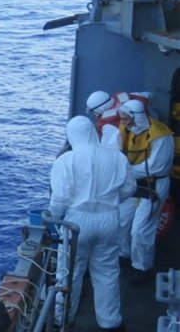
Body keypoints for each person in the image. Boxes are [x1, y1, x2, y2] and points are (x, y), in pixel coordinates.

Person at [50, 116, 134, 331]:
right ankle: (110, 321)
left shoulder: (66, 160)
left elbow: (59, 199)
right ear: (92, 133)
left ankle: (63, 318)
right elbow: (128, 189)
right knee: (107, 271)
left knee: (69, 272)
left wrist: (56, 220)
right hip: (109, 219)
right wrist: (111, 204)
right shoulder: (116, 157)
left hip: (76, 221)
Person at [117, 99, 174, 283]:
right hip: (134, 183)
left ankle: (142, 267)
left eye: (126, 118)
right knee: (122, 220)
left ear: (136, 117)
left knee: (141, 229)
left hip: (154, 185)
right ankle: (124, 253)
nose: (123, 122)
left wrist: (124, 170)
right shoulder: (126, 129)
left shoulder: (161, 136)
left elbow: (156, 167)